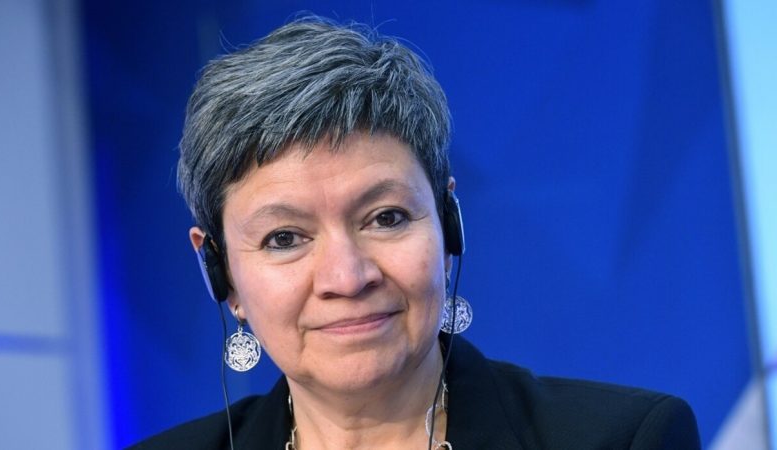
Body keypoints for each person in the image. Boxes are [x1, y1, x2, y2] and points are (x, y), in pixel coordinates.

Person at [133, 16, 700, 450]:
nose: (347, 277)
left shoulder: (625, 439)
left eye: (386, 218)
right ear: (222, 275)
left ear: (448, 228)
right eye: (284, 238)